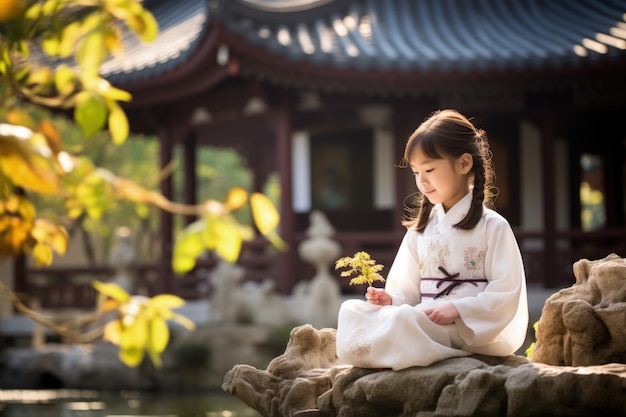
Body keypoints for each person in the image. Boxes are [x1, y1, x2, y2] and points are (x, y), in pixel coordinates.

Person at [336, 109, 528, 370]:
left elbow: (506, 292)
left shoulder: (492, 226)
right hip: (423, 318)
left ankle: (399, 348)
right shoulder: (420, 230)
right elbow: (408, 290)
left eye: (429, 169)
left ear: (463, 164)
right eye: (415, 172)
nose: (421, 181)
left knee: (404, 321)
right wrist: (390, 299)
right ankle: (401, 346)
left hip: (467, 326)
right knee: (352, 311)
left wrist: (458, 309)